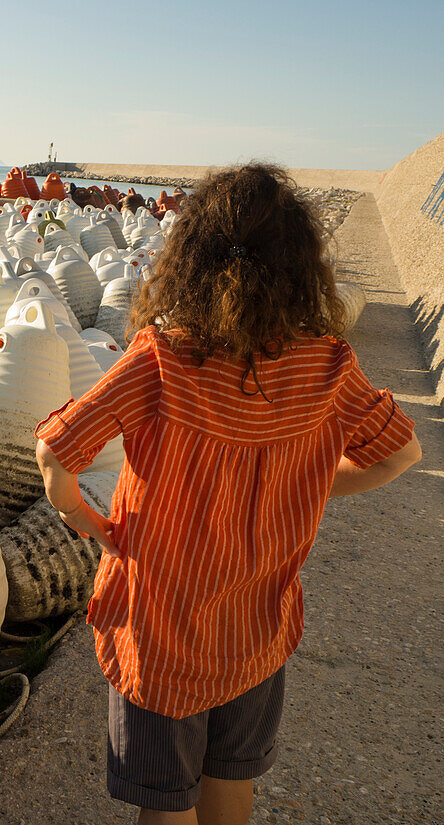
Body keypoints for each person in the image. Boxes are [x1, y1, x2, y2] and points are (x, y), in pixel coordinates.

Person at [35, 163, 421, 825]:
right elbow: (403, 453)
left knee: (165, 803)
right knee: (230, 778)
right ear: (300, 263)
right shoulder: (327, 363)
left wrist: (85, 519)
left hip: (162, 635)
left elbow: (55, 450)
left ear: (192, 257)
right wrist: (314, 483)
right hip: (257, 626)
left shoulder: (162, 357)